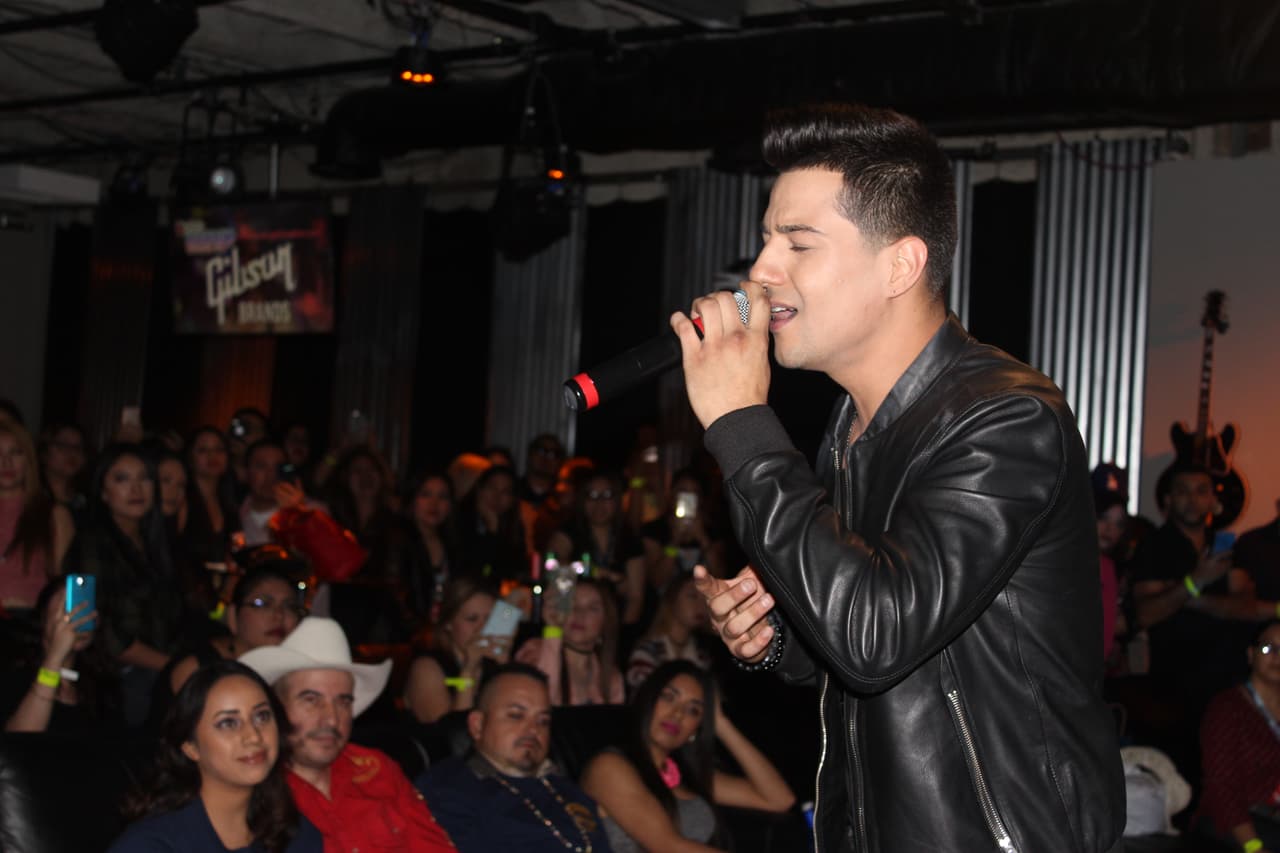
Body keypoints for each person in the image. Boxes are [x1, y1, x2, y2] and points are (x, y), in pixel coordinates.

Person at [672, 103, 1124, 851]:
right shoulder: (849, 428)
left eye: (798, 243)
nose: (761, 272)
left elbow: (874, 636)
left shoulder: (1005, 418)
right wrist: (778, 637)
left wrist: (741, 425)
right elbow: (879, 650)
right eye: (766, 240)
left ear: (900, 266)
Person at [238, 617, 455, 851]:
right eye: (311, 700)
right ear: (275, 708)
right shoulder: (252, 791)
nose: (332, 719)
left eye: (343, 702)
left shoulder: (378, 770)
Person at [581, 660, 794, 852]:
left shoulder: (688, 775)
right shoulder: (609, 766)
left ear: (696, 729)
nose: (678, 714)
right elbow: (667, 846)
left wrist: (720, 723)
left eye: (693, 710)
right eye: (669, 697)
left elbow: (779, 799)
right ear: (647, 699)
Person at [110, 659, 322, 852]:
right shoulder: (150, 845)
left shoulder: (295, 835)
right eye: (228, 723)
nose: (253, 736)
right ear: (190, 747)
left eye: (262, 716)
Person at [416, 663, 614, 852]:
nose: (533, 729)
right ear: (478, 725)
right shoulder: (447, 790)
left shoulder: (566, 789)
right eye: (516, 716)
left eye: (543, 721)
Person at [62, 443, 184, 727]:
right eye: (122, 479)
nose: (136, 489)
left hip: (158, 667)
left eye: (145, 478)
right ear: (103, 492)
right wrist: (173, 665)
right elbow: (105, 635)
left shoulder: (157, 542)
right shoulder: (92, 543)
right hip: (114, 676)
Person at [1197, 620, 1280, 852]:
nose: (1277, 656)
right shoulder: (1228, 708)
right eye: (1268, 648)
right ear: (1251, 654)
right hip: (1238, 822)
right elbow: (1222, 786)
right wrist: (1253, 846)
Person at [165, 563, 306, 695]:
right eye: (262, 603)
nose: (279, 615)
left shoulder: (298, 671)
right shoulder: (198, 670)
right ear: (233, 616)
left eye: (290, 606)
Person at [3, 576, 112, 733]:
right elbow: (20, 739)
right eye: (66, 613)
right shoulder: (15, 674)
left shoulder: (101, 685)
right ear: (43, 620)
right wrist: (55, 657)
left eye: (84, 612)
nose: (77, 621)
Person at [403, 576, 509, 724]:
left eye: (489, 619)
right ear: (448, 623)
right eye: (472, 619)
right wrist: (469, 669)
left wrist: (505, 669)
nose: (482, 628)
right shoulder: (426, 667)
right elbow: (452, 732)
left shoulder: (493, 665)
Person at [547, 470, 647, 626]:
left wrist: (625, 632)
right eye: (592, 495)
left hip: (616, 622)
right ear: (582, 500)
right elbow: (554, 565)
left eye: (607, 495)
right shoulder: (568, 532)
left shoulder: (629, 538)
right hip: (572, 618)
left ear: (617, 500)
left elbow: (636, 597)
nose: (599, 502)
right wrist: (600, 573)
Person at [0, 419, 76, 611]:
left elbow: (65, 587)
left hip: (29, 620)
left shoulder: (53, 515)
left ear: (29, 459)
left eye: (16, 453)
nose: (6, 462)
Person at [516, 577, 624, 706]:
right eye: (572, 604)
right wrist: (553, 630)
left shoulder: (611, 677)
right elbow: (540, 702)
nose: (579, 614)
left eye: (592, 608)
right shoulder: (535, 651)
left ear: (606, 621)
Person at [626, 572, 712, 691]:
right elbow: (645, 696)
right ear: (672, 598)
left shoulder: (703, 655)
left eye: (705, 599)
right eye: (692, 596)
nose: (701, 605)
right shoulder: (647, 651)